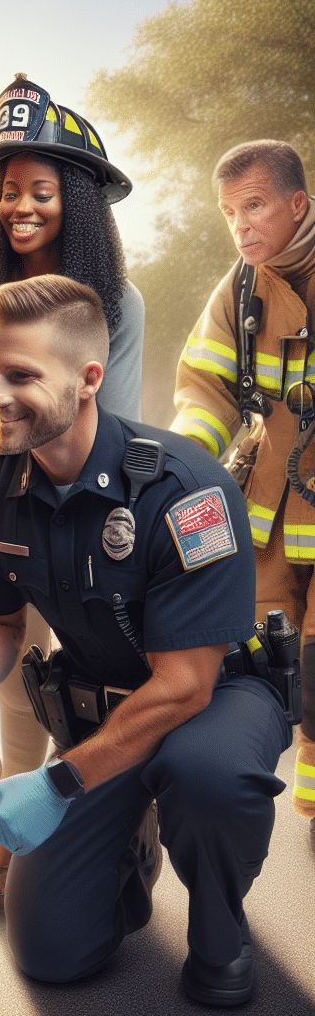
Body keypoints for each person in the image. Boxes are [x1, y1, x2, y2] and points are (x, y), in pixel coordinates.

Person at [0, 272, 288, 1007]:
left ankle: (221, 932)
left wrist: (61, 781)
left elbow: (185, 687)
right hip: (106, 712)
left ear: (89, 379)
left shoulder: (186, 492)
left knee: (205, 777)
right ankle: (130, 848)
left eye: (20, 375)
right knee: (50, 954)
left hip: (215, 700)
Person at [0, 74, 145, 910]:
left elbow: (117, 416)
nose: (21, 206)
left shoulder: (117, 302)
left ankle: (110, 825)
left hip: (91, 505)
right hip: (1, 498)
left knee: (82, 670)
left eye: (42, 191)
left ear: (80, 201)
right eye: (9, 191)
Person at [171, 139, 315, 827]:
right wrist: (181, 464)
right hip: (268, 512)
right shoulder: (239, 288)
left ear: (297, 204)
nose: (242, 226)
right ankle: (234, 797)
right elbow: (206, 391)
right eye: (230, 213)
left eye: (254, 206)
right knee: (260, 660)